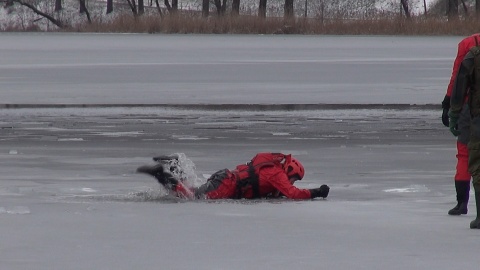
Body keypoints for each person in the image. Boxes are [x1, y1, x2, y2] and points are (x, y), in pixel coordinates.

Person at [136, 152, 330, 200]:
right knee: (192, 197)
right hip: (227, 185)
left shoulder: (272, 167)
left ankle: (176, 165)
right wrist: (317, 192)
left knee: (193, 191)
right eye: (294, 178)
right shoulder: (278, 174)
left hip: (226, 178)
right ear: (290, 170)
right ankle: (161, 174)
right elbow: (293, 194)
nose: (292, 182)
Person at [442, 34, 479, 215]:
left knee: (464, 154)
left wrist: (448, 104)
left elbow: (458, 77)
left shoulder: (468, 44)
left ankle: (462, 203)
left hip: (468, 107)